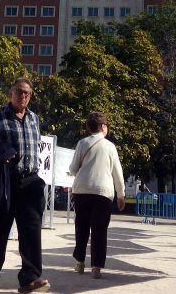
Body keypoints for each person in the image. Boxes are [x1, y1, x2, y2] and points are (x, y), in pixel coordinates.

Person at [0, 77, 49, 293]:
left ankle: (29, 278)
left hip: (30, 182)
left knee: (31, 231)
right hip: (4, 181)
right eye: (19, 91)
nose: (23, 96)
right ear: (11, 93)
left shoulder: (35, 119)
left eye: (27, 93)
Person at [69, 112, 126, 279]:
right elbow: (118, 173)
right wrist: (121, 194)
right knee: (99, 230)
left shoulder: (82, 143)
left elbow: (73, 169)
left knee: (82, 227)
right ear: (102, 127)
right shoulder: (110, 147)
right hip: (103, 193)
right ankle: (96, 267)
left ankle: (80, 262)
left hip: (82, 191)